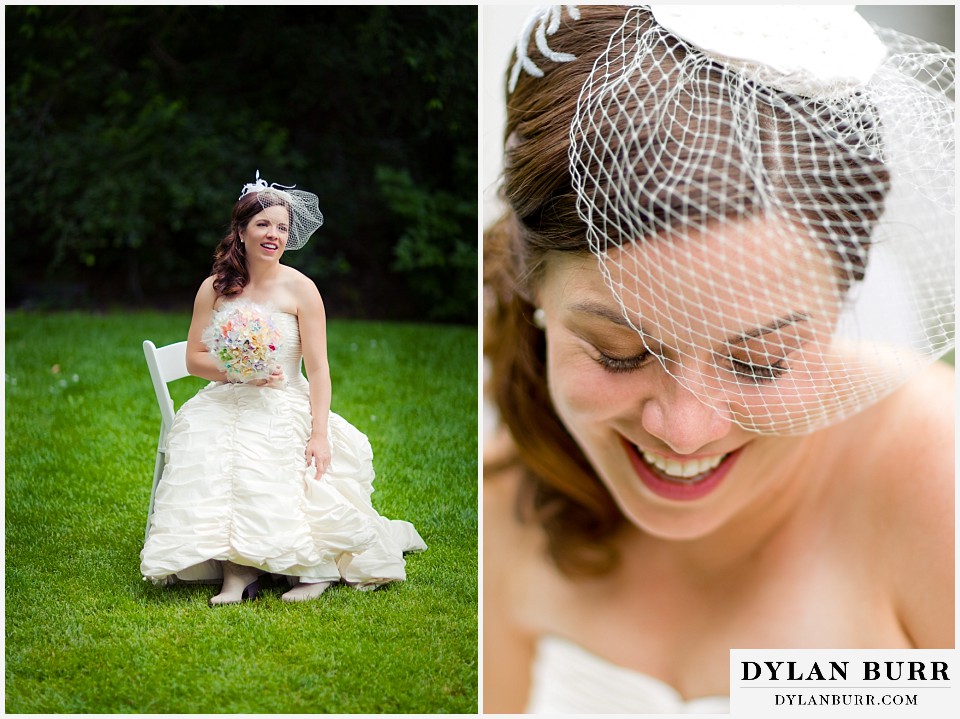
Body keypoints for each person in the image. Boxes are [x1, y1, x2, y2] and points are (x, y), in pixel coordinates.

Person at [484, 5, 954, 713]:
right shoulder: (505, 500)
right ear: (535, 288)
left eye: (760, 360)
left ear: (840, 302)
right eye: (618, 353)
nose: (684, 427)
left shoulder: (937, 478)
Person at [141, 172, 426, 604]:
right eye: (263, 225)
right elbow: (194, 359)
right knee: (209, 439)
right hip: (227, 395)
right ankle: (238, 574)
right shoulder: (215, 288)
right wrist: (240, 373)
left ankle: (314, 568)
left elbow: (320, 369)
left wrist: (319, 432)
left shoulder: (302, 289)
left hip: (283, 397)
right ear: (241, 231)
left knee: (268, 442)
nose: (273, 234)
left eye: (281, 227)